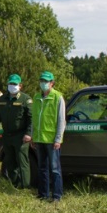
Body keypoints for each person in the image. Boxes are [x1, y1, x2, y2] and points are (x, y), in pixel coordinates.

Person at [0, 74, 33, 188]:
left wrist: (29, 133)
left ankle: (25, 186)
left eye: (14, 84)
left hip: (21, 136)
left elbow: (31, 118)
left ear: (20, 86)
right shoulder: (2, 99)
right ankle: (15, 184)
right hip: (7, 135)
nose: (12, 86)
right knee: (9, 161)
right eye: (10, 83)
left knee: (22, 161)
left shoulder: (25, 99)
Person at [32, 71, 66, 201]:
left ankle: (57, 195)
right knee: (42, 168)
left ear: (52, 83)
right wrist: (33, 136)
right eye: (42, 81)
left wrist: (58, 139)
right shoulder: (36, 97)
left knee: (55, 169)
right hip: (39, 139)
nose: (43, 83)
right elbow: (34, 119)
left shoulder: (58, 97)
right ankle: (43, 194)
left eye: (46, 81)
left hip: (52, 141)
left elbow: (61, 120)